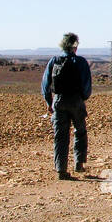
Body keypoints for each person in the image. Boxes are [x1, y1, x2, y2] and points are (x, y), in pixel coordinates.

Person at [40, 32, 92, 180]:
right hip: (76, 101)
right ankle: (79, 163)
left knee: (60, 136)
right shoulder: (81, 62)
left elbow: (45, 85)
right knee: (80, 131)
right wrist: (82, 99)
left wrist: (49, 103)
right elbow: (87, 86)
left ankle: (61, 170)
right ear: (75, 46)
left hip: (59, 101)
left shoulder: (54, 61)